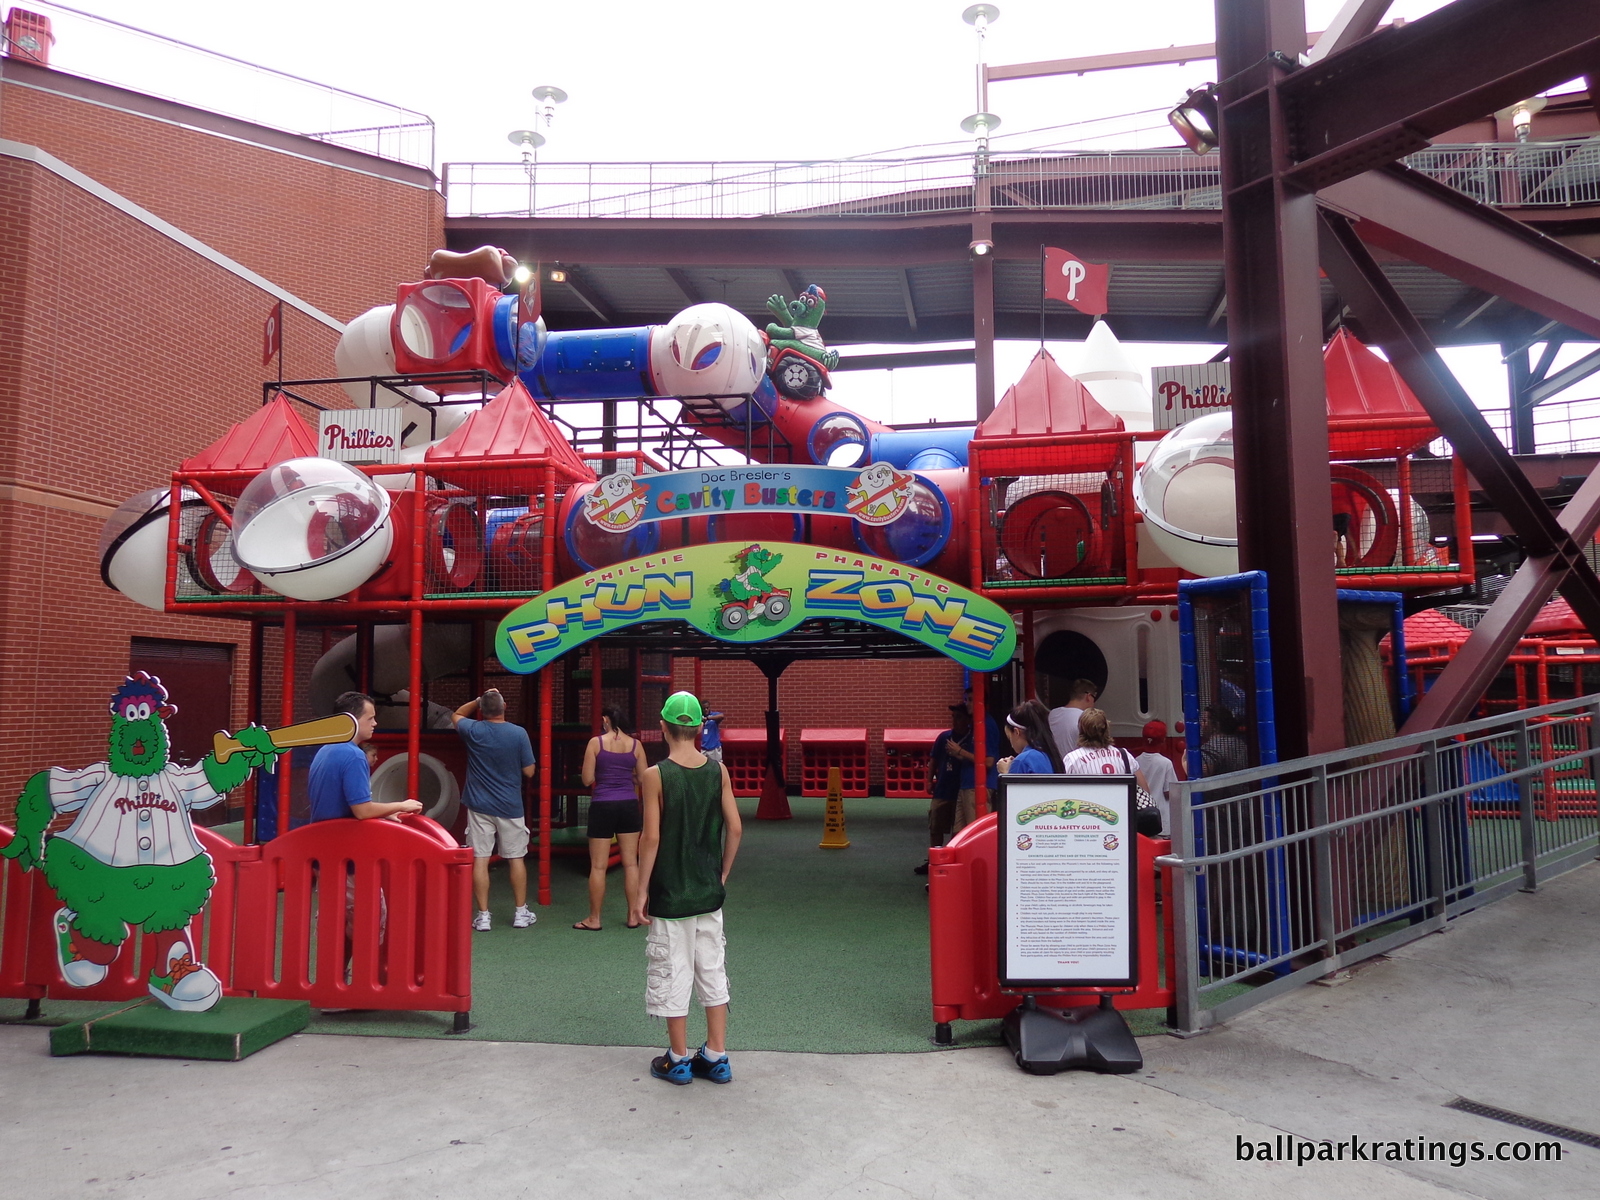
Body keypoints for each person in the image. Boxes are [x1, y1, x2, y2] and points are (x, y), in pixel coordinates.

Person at [631, 691, 742, 1086]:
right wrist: (723, 873)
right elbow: (736, 827)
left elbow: (651, 838)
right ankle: (716, 1055)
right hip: (708, 893)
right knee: (711, 969)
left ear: (663, 728)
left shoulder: (655, 775)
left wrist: (641, 891)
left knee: (671, 970)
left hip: (669, 894)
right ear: (698, 728)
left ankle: (677, 1058)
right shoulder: (719, 772)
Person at [306, 691, 422, 992]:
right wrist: (400, 805)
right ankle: (355, 986)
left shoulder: (326, 749)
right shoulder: (353, 754)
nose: (375, 722)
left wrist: (382, 816)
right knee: (369, 915)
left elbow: (342, 806)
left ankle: (337, 982)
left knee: (339, 918)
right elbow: (361, 809)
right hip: (347, 856)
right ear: (350, 720)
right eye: (370, 717)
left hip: (324, 851)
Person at [452, 688, 537, 932]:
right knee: (516, 857)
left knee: (480, 858)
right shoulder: (518, 733)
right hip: (510, 805)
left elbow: (457, 714)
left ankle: (483, 916)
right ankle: (521, 913)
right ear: (504, 707)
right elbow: (529, 771)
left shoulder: (474, 730)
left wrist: (478, 700)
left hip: (479, 805)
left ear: (482, 710)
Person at [575, 706, 650, 931]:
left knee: (598, 866)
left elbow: (587, 779)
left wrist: (604, 772)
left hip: (602, 805)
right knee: (630, 864)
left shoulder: (595, 743)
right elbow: (643, 778)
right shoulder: (636, 745)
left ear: (605, 719)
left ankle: (594, 919)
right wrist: (626, 774)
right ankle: (633, 915)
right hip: (628, 805)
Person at [1060, 708, 1161, 837]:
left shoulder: (1072, 759)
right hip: (1122, 822)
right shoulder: (1123, 754)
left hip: (1089, 825)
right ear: (1106, 729)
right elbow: (1145, 790)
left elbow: (1066, 797)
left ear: (1081, 730)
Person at [913, 704, 964, 874]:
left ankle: (951, 860)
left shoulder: (971, 739)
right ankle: (933, 860)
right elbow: (933, 760)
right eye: (953, 717)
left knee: (957, 829)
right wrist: (929, 781)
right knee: (935, 825)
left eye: (959, 717)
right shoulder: (944, 737)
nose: (955, 721)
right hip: (942, 789)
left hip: (961, 789)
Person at [948, 700, 1001, 834]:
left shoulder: (987, 724)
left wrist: (960, 751)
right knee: (959, 832)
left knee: (975, 831)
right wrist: (959, 755)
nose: (968, 703)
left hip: (978, 785)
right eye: (967, 700)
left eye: (972, 699)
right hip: (967, 784)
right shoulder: (975, 724)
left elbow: (988, 762)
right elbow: (975, 757)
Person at [1135, 719, 1178, 839]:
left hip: (1142, 816)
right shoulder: (1166, 763)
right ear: (1163, 741)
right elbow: (1170, 791)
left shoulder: (1136, 761)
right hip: (1161, 819)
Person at [996, 700, 1064, 775]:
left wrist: (1005, 773)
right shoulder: (1050, 755)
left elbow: (1014, 786)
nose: (1011, 745)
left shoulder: (1022, 761)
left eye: (1009, 737)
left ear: (1016, 732)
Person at [1047, 679, 1099, 770]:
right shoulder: (1086, 719)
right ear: (1088, 697)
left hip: (1054, 770)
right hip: (1078, 770)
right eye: (1094, 698)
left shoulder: (1052, 714)